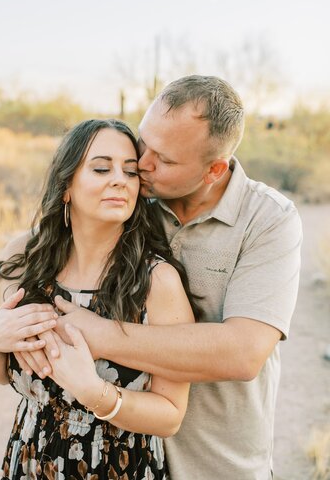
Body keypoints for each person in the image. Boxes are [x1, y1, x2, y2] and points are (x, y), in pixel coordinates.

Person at [18, 76, 302, 479]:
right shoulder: (132, 198)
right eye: (143, 142)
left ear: (214, 170)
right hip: (124, 455)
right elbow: (46, 239)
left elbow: (243, 352)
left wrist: (100, 334)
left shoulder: (268, 220)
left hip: (215, 461)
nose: (142, 164)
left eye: (164, 159)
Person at [0, 118, 199, 479]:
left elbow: (171, 415)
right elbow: (5, 374)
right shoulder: (25, 259)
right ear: (66, 185)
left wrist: (93, 392)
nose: (119, 180)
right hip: (31, 459)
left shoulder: (157, 282)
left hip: (118, 466)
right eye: (100, 168)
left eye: (130, 173)